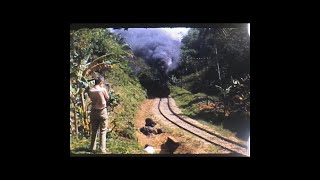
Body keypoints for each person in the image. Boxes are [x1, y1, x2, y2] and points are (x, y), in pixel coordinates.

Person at [88, 77, 110, 153]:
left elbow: (91, 99)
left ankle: (92, 147)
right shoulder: (102, 89)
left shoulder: (91, 90)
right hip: (102, 111)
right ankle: (102, 149)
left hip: (93, 111)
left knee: (94, 130)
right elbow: (107, 97)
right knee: (103, 131)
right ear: (101, 83)